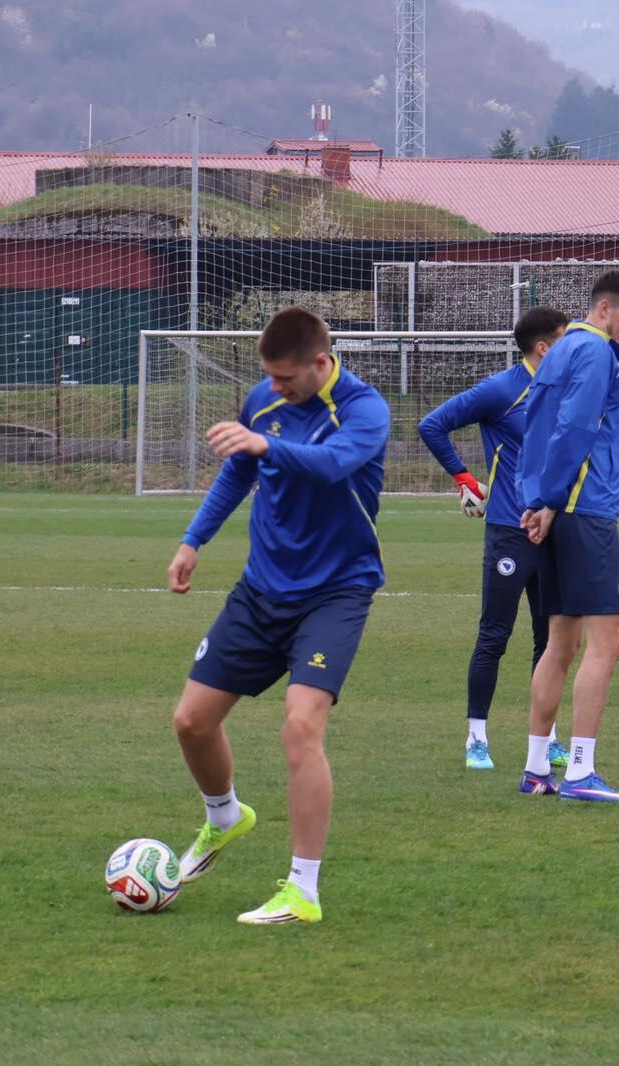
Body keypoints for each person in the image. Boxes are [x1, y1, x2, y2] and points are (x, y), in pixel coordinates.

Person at [165, 306, 389, 926]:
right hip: (261, 590)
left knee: (301, 726)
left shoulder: (365, 409)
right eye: (269, 377)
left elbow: (332, 464)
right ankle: (224, 816)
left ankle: (302, 892)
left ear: (321, 362)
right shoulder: (264, 399)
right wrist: (193, 541)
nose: (274, 388)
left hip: (335, 594)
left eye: (286, 379)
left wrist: (267, 443)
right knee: (191, 723)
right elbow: (238, 472)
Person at [417, 306, 570, 771]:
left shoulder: (566, 390)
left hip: (556, 530)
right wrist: (464, 478)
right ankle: (476, 739)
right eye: (564, 340)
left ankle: (549, 738)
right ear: (543, 347)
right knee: (494, 636)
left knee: (551, 640)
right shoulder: (501, 389)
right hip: (510, 530)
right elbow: (432, 424)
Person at [516, 268, 619, 803]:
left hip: (556, 508)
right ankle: (579, 772)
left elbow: (534, 425)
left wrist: (536, 499)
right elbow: (573, 429)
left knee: (560, 643)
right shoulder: (593, 352)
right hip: (582, 509)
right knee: (608, 642)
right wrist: (551, 500)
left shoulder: (561, 350)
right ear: (604, 308)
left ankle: (535, 769)